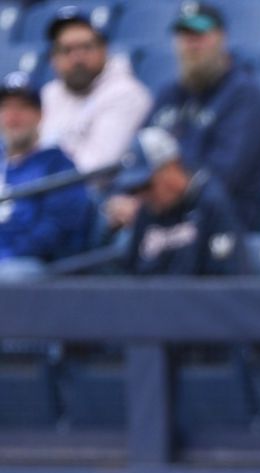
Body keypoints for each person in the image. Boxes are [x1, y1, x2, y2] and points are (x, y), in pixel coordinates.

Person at [119, 2, 260, 230]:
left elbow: (224, 176)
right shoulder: (168, 93)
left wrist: (151, 199)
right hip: (160, 211)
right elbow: (138, 153)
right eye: (184, 35)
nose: (191, 43)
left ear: (221, 37)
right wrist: (124, 196)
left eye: (199, 34)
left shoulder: (243, 95)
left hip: (219, 220)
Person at [38, 6, 152, 175]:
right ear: (53, 58)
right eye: (66, 50)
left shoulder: (125, 93)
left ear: (104, 50)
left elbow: (97, 169)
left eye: (85, 47)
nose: (77, 58)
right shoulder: (51, 93)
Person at [119, 127, 248, 276]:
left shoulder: (210, 203)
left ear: (171, 166)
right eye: (134, 190)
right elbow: (130, 279)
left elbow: (227, 281)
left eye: (145, 185)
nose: (142, 196)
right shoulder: (146, 213)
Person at [0, 72, 92, 280]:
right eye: (6, 107)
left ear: (39, 114)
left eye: (22, 107)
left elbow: (55, 233)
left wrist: (6, 254)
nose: (13, 117)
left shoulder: (58, 165)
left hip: (31, 265)